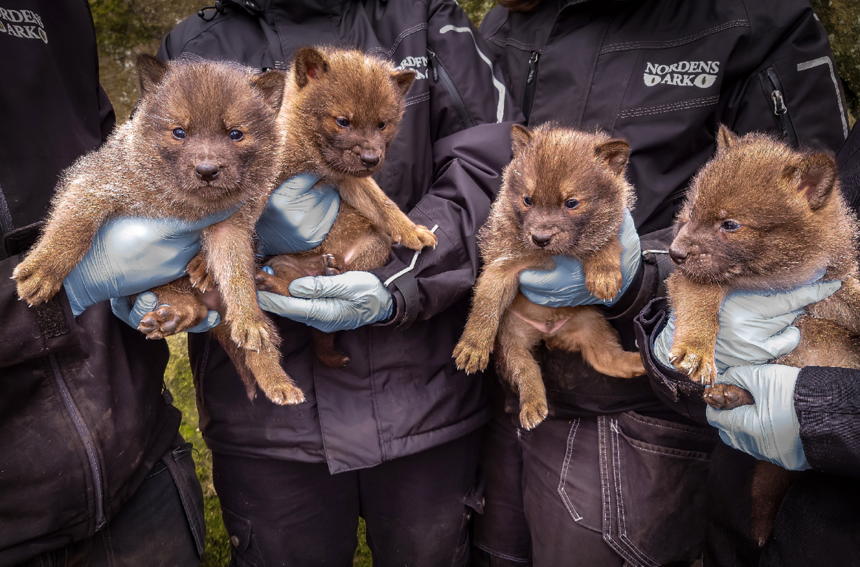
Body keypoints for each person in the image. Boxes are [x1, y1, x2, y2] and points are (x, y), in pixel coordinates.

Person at [139, 1, 517, 564]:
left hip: (424, 400)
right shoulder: (194, 42)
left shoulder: (427, 19)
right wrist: (209, 244)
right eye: (347, 124)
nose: (371, 146)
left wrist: (401, 279)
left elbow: (491, 166)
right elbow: (157, 173)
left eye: (383, 127)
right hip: (269, 429)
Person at [473, 0, 849, 565]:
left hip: (636, 410)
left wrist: (639, 277)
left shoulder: (757, 20)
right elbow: (474, 165)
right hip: (504, 393)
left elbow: (798, 236)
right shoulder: (506, 21)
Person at [0, 2, 205, 565]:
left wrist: (159, 282)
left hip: (140, 465)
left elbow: (110, 155)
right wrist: (66, 289)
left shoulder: (60, 9)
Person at [638, 120, 860, 566]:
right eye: (693, 214)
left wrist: (836, 412)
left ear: (809, 188)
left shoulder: (817, 224)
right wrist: (677, 346)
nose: (680, 244)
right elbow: (689, 281)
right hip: (732, 518)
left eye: (730, 225)